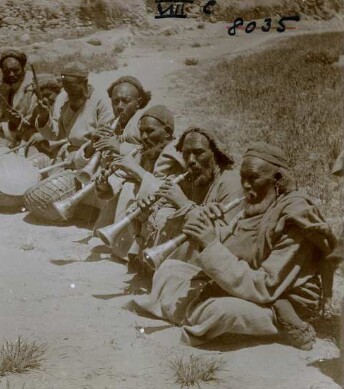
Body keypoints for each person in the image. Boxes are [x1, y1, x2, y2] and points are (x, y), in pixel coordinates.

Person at [132, 143, 339, 350]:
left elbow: (266, 285)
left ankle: (282, 322)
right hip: (246, 285)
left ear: (277, 179)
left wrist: (211, 244)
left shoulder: (294, 218)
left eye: (253, 178)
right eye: (243, 178)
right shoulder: (259, 203)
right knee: (169, 270)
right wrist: (209, 227)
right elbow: (236, 247)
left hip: (278, 297)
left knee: (217, 311)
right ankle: (200, 314)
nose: (247, 186)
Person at [131, 126, 244, 267]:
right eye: (186, 154)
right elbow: (158, 215)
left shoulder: (231, 183)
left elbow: (225, 238)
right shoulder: (189, 177)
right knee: (162, 213)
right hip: (177, 261)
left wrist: (183, 203)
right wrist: (144, 214)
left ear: (216, 153)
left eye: (198, 153)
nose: (190, 160)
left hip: (210, 265)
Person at [94, 105, 184, 260]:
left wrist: (136, 170)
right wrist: (103, 184)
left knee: (131, 186)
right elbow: (117, 181)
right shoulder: (144, 151)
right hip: (146, 213)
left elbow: (167, 193)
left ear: (168, 132)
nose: (144, 136)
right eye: (141, 131)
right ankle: (125, 248)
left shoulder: (175, 155)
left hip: (169, 216)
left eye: (150, 131)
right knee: (128, 185)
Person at [33, 62, 114, 171]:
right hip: (69, 157)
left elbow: (105, 138)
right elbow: (56, 134)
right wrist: (44, 117)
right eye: (67, 89)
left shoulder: (101, 100)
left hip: (92, 159)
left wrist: (89, 145)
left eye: (74, 89)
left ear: (85, 83)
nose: (70, 94)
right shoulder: (63, 98)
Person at [91, 75, 152, 157]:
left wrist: (120, 148)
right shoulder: (108, 125)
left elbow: (153, 154)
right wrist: (91, 145)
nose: (119, 106)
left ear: (138, 103)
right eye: (115, 101)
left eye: (126, 101)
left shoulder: (144, 125)